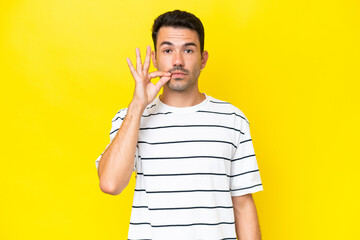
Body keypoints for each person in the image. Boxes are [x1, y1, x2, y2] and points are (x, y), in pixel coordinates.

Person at [95, 9, 263, 240]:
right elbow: (110, 183)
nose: (177, 61)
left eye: (188, 50)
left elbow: (243, 205)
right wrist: (137, 106)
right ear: (155, 58)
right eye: (167, 50)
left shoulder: (232, 120)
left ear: (203, 59)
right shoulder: (130, 118)